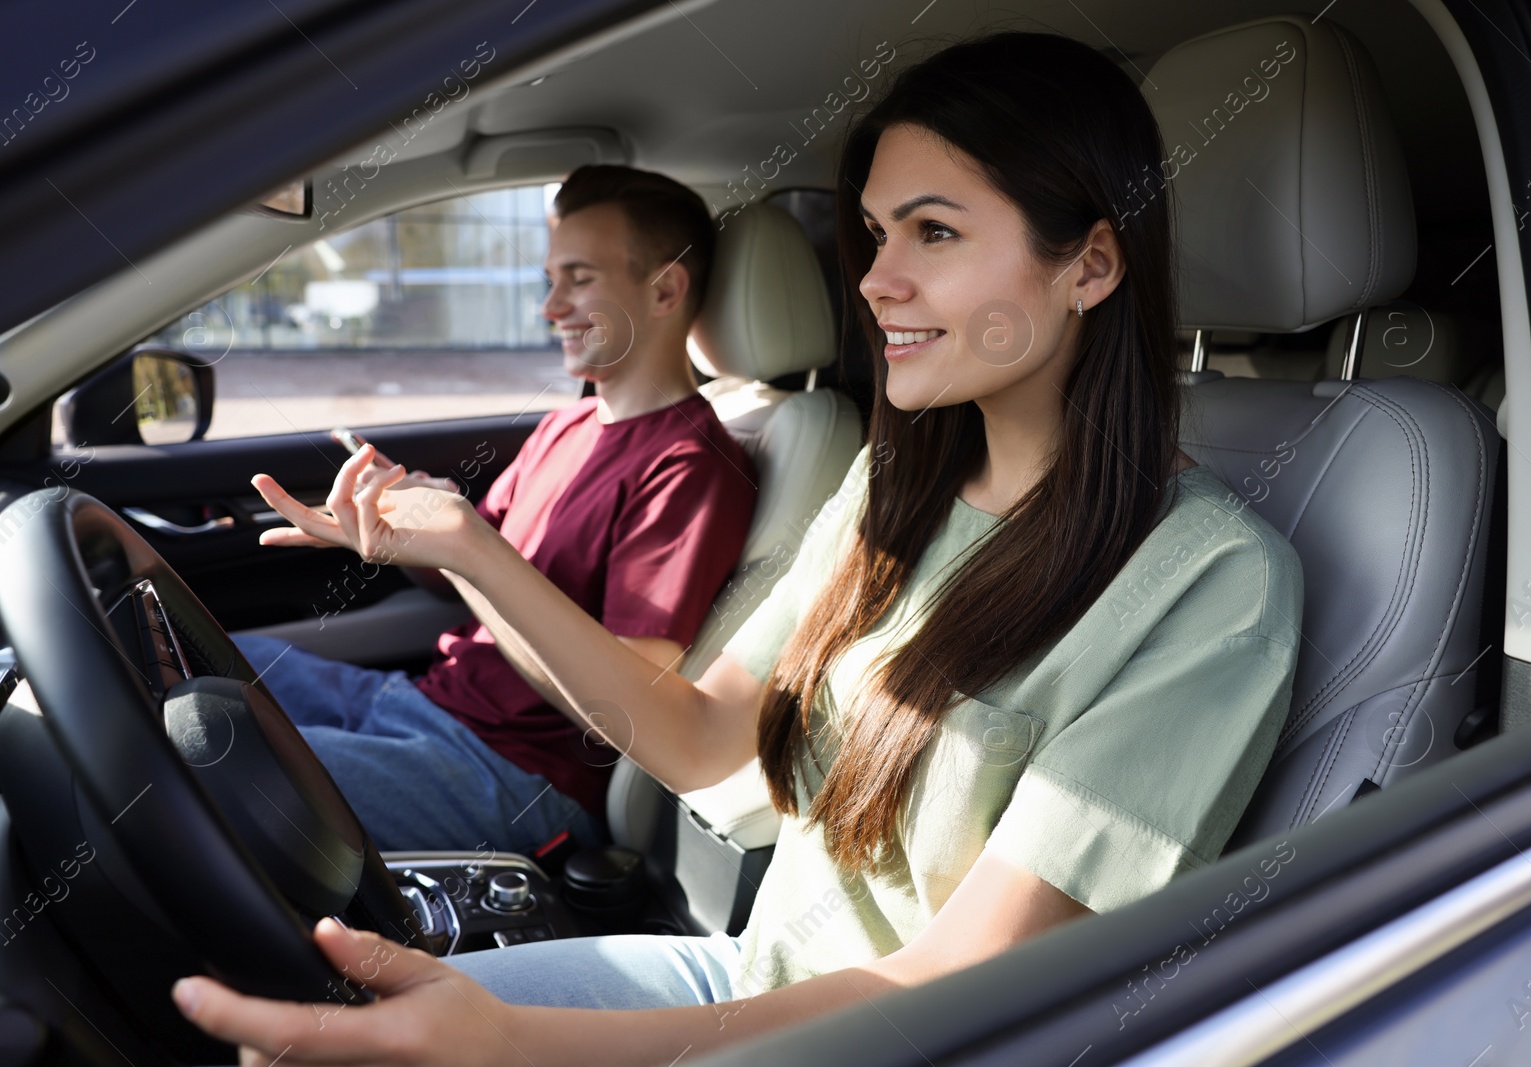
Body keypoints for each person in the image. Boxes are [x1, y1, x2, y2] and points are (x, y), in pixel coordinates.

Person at [176, 31, 1303, 1066]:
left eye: (936, 231)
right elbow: (704, 739)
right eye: (874, 232)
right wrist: (471, 548)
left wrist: (512, 1036)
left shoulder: (1212, 583)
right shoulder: (890, 488)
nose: (873, 278)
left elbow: (966, 978)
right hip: (749, 980)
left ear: (1091, 266)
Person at [231, 165, 758, 858]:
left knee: (215, 762)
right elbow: (472, 579)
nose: (550, 307)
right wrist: (412, 533)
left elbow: (621, 713)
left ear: (664, 289)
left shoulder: (690, 467)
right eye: (551, 280)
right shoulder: (565, 428)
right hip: (425, 700)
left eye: (579, 278)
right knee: (194, 661)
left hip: (515, 771)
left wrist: (469, 543)